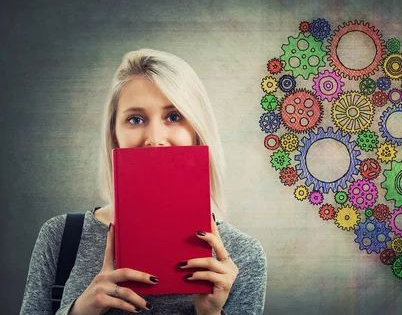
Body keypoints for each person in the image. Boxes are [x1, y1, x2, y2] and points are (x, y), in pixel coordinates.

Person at [19, 49, 267, 315]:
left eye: (173, 116)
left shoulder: (244, 254)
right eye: (135, 119)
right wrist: (80, 310)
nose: (154, 139)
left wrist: (210, 313)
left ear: (197, 131)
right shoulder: (61, 236)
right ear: (114, 136)